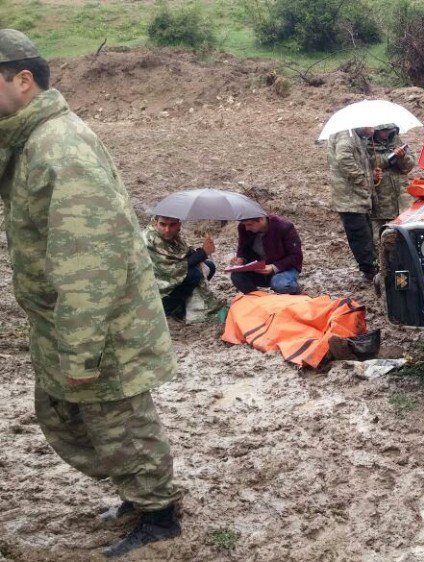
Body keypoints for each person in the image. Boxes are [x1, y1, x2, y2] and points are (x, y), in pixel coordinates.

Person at [0, 28, 182, 557]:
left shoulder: (61, 146)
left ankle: (158, 514)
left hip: (98, 327)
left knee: (120, 420)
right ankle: (137, 491)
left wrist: (80, 348)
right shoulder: (27, 140)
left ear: (24, 81)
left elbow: (90, 262)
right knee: (65, 416)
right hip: (63, 321)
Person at [143, 215, 224, 322]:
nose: (167, 230)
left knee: (209, 266)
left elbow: (184, 255)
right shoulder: (151, 238)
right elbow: (171, 269)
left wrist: (204, 250)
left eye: (172, 225)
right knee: (194, 274)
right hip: (154, 290)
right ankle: (167, 309)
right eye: (163, 224)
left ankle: (181, 304)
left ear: (179, 225)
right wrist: (203, 253)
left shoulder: (174, 236)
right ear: (155, 223)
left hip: (170, 278)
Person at [329, 127, 379, 281]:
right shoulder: (346, 135)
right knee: (360, 235)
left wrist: (372, 174)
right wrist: (362, 179)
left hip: (358, 197)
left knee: (366, 233)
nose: (374, 129)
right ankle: (370, 270)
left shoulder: (357, 137)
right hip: (349, 199)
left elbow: (359, 161)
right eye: (371, 126)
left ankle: (373, 266)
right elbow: (344, 159)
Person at [229, 213, 303, 294]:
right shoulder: (243, 228)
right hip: (258, 269)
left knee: (281, 284)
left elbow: (296, 256)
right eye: (244, 225)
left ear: (261, 219)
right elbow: (243, 249)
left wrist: (274, 267)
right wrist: (240, 259)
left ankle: (295, 292)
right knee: (237, 276)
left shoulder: (284, 227)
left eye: (249, 224)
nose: (247, 228)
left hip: (284, 268)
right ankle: (257, 298)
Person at [368, 123, 415, 248]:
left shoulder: (397, 141)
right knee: (379, 238)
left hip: (402, 200)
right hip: (380, 200)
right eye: (384, 131)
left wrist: (402, 157)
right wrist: (390, 158)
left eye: (390, 130)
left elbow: (409, 166)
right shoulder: (366, 145)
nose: (387, 133)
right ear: (376, 131)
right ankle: (381, 264)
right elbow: (368, 164)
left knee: (406, 237)